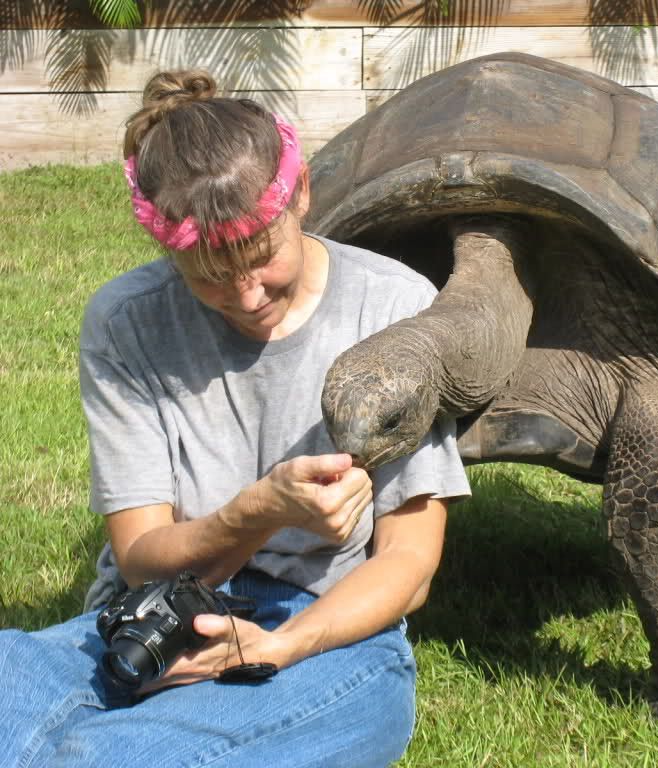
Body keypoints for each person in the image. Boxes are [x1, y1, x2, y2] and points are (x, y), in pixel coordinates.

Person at [0, 70, 470, 768]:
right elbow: (139, 556)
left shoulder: (393, 307)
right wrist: (257, 511)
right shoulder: (127, 322)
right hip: (150, 616)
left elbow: (409, 562)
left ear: (301, 191)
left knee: (110, 758)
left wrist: (279, 647)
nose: (247, 297)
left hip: (325, 635)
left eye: (259, 260)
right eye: (209, 277)